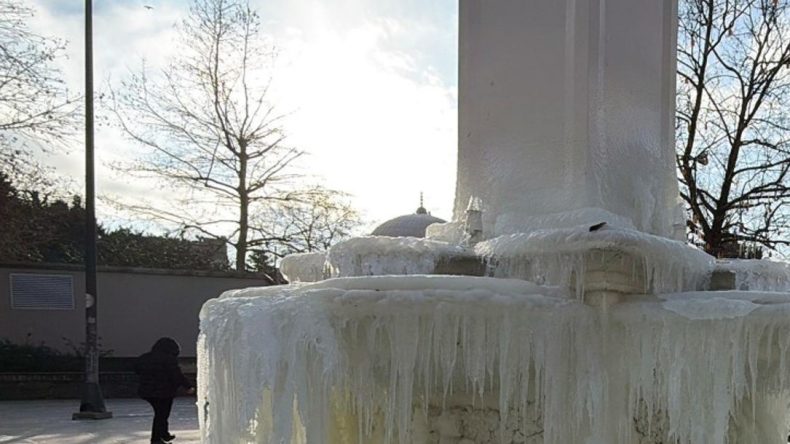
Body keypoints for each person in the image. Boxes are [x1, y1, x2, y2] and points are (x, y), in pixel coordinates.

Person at [135, 337, 195, 444]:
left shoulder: (144, 358)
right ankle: (156, 439)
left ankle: (164, 434)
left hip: (147, 391)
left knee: (161, 413)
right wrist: (188, 386)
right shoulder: (169, 359)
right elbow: (177, 375)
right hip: (163, 392)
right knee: (161, 415)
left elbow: (137, 370)